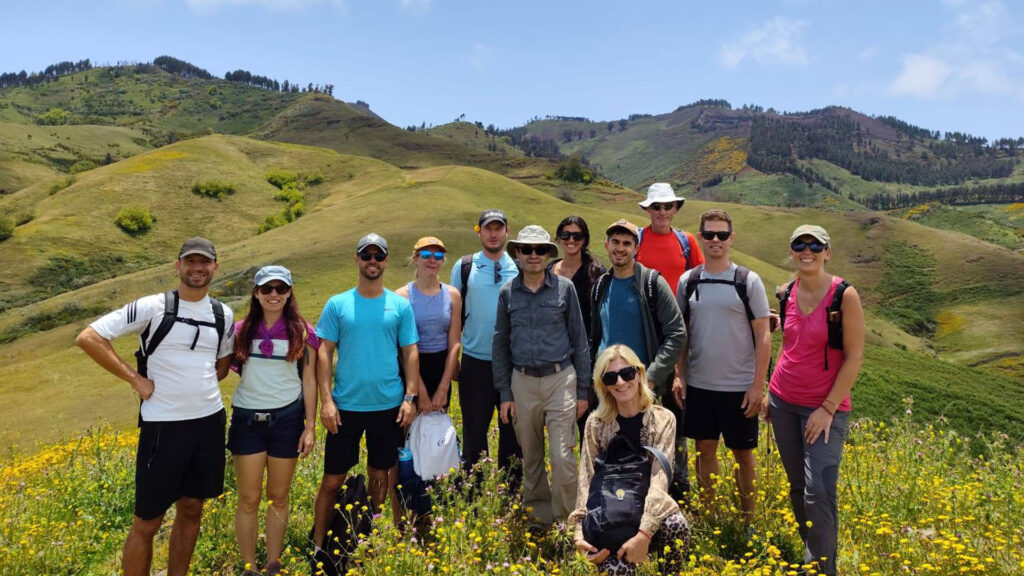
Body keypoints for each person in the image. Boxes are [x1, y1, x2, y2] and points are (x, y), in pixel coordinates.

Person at [75, 237, 235, 576]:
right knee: (147, 521)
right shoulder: (152, 307)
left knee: (192, 508)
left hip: (208, 423)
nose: (197, 268)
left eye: (204, 262)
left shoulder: (223, 313)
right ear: (177, 266)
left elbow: (221, 364)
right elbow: (89, 337)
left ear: (215, 268)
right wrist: (135, 379)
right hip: (163, 426)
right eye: (190, 261)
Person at [764, 224, 865, 576]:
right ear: (791, 251)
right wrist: (769, 392)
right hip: (782, 402)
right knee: (797, 486)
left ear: (827, 252)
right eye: (799, 244)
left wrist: (827, 409)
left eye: (815, 245)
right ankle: (813, 553)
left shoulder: (844, 296)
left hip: (823, 408)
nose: (807, 250)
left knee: (818, 491)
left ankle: (822, 569)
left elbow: (854, 357)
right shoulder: (785, 291)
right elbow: (787, 347)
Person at [311, 233, 419, 554]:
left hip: (388, 406)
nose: (372, 261)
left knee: (380, 476)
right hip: (345, 407)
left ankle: (365, 537)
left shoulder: (399, 306)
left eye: (378, 256)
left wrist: (410, 398)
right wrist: (326, 401)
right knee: (332, 480)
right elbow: (323, 352)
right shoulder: (338, 304)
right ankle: (318, 546)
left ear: (385, 261)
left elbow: (411, 352)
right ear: (356, 259)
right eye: (366, 255)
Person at [674, 210, 772, 523]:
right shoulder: (688, 281)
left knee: (744, 455)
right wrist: (679, 376)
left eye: (722, 235)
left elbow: (764, 335)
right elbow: (682, 335)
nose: (716, 240)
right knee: (705, 450)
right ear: (700, 237)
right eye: (710, 234)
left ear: (732, 238)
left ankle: (748, 519)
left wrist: (758, 386)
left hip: (739, 387)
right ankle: (709, 516)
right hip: (700, 384)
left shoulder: (748, 281)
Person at [493, 225, 591, 524]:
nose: (533, 255)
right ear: (518, 254)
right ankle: (539, 517)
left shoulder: (565, 288)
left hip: (561, 379)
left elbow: (579, 339)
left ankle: (568, 521)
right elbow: (500, 343)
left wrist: (583, 391)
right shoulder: (507, 292)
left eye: (540, 250)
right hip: (522, 382)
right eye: (527, 250)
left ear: (549, 254)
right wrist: (505, 393)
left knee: (562, 456)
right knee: (531, 456)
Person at [227, 265, 319, 576]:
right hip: (247, 420)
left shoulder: (303, 332)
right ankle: (249, 567)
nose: (274, 295)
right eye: (267, 289)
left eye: (281, 289)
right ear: (256, 293)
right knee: (249, 498)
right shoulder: (240, 331)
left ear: (290, 292)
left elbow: (309, 380)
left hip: (287, 420)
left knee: (278, 496)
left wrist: (310, 426)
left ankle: (273, 563)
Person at [589, 218, 689, 500]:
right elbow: (597, 337)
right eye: (615, 243)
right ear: (606, 245)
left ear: (636, 247)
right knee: (616, 455)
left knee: (656, 455)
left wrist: (653, 377)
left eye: (627, 243)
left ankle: (667, 510)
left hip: (644, 389)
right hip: (610, 388)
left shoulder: (651, 284)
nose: (620, 249)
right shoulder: (601, 286)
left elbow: (676, 333)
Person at [570, 345, 690, 576]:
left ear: (640, 374)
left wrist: (644, 534)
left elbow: (660, 478)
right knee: (616, 570)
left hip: (649, 516)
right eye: (610, 377)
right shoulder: (596, 424)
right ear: (603, 384)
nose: (620, 382)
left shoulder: (664, 420)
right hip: (611, 518)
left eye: (627, 373)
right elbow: (586, 478)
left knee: (676, 525)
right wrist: (579, 533)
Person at [449, 209, 522, 481]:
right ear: (479, 231)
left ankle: (511, 490)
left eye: (498, 228)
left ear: (507, 232)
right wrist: (452, 355)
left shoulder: (519, 265)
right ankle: (475, 490)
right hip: (475, 362)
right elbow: (454, 314)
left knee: (512, 432)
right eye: (487, 228)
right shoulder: (465, 266)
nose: (493, 233)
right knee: (474, 431)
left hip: (513, 362)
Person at [548, 216, 607, 440]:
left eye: (577, 235)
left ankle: (589, 474)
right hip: (556, 357)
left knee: (589, 425)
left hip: (588, 357)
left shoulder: (596, 273)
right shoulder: (550, 271)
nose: (571, 240)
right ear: (559, 238)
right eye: (565, 235)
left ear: (585, 240)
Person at [396, 237, 462, 414]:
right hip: (411, 368)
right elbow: (403, 348)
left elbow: (454, 343)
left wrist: (443, 387)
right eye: (426, 254)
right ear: (415, 259)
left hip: (442, 368)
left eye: (438, 255)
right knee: (409, 428)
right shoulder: (402, 297)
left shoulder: (453, 295)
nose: (432, 260)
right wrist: (419, 391)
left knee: (436, 431)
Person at [635, 182, 704, 296]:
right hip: (644, 312)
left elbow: (702, 278)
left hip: (679, 312)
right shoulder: (635, 240)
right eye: (656, 207)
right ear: (648, 209)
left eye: (668, 206)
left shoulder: (687, 241)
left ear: (675, 208)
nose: (662, 212)